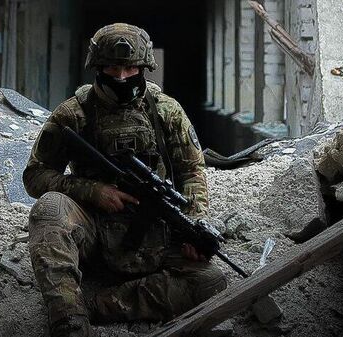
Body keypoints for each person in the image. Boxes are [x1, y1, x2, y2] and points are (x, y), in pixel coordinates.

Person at [23, 22, 227, 337]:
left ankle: (96, 304)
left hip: (157, 234)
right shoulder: (73, 114)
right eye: (112, 67)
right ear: (97, 67)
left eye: (130, 68)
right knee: (50, 209)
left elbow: (191, 172)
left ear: (143, 67)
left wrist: (193, 220)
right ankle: (69, 320)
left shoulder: (167, 113)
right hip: (92, 231)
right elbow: (35, 176)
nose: (120, 77)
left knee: (211, 282)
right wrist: (91, 190)